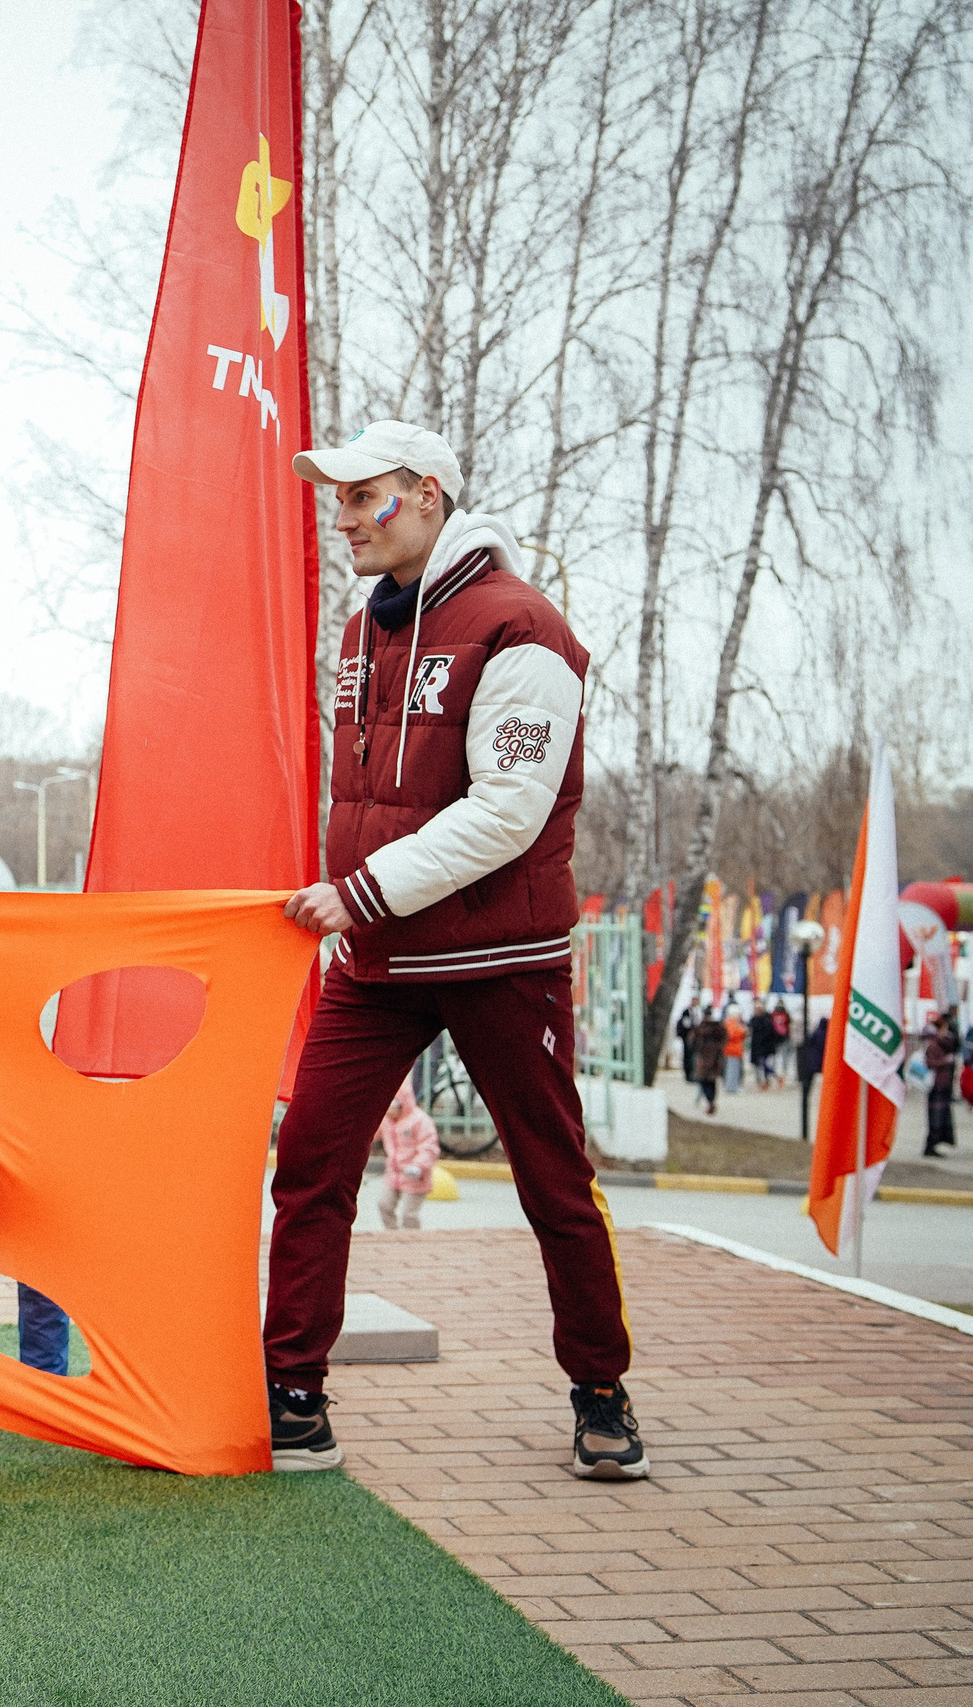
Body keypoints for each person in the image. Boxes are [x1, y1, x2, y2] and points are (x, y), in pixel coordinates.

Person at [275, 421, 643, 1482]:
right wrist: (349, 901)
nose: (344, 518)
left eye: (364, 496)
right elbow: (369, 797)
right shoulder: (363, 628)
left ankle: (601, 1389)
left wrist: (359, 892)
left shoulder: (522, 627)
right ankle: (293, 1393)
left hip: (499, 956)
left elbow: (508, 812)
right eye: (338, 500)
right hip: (378, 959)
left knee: (553, 1180)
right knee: (309, 1166)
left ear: (428, 495)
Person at [374, 1078, 440, 1231]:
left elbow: (429, 1147)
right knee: (384, 1205)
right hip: (394, 1173)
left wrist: (418, 1165)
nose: (388, 1110)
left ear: (402, 1102)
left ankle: (412, 1239)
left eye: (392, 1104)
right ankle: (393, 1235)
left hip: (415, 1175)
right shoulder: (385, 1120)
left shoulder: (420, 1121)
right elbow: (371, 1135)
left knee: (409, 1215)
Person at [921, 1022, 958, 1156]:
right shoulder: (934, 1045)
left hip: (942, 1085)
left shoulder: (942, 1044)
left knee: (941, 1116)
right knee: (936, 1117)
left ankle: (935, 1143)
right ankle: (930, 1145)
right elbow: (930, 1063)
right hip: (936, 1085)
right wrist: (945, 1061)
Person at [690, 1009, 728, 1115]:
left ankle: (710, 1101)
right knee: (711, 1081)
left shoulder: (701, 1028)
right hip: (714, 1059)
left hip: (705, 1059)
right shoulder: (718, 1027)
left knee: (704, 1081)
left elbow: (692, 1041)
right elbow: (724, 1040)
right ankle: (711, 1101)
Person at [723, 1006, 747, 1096]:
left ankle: (733, 1086)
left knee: (734, 1069)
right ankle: (731, 1087)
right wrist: (742, 1031)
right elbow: (731, 1035)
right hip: (732, 1049)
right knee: (732, 1070)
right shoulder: (731, 1023)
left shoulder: (732, 1022)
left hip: (734, 1049)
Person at [675, 1004, 700, 1084]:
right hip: (687, 1041)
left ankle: (691, 1075)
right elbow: (687, 1026)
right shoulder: (687, 1015)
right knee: (688, 1058)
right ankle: (689, 1075)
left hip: (690, 1041)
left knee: (691, 1058)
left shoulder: (695, 1014)